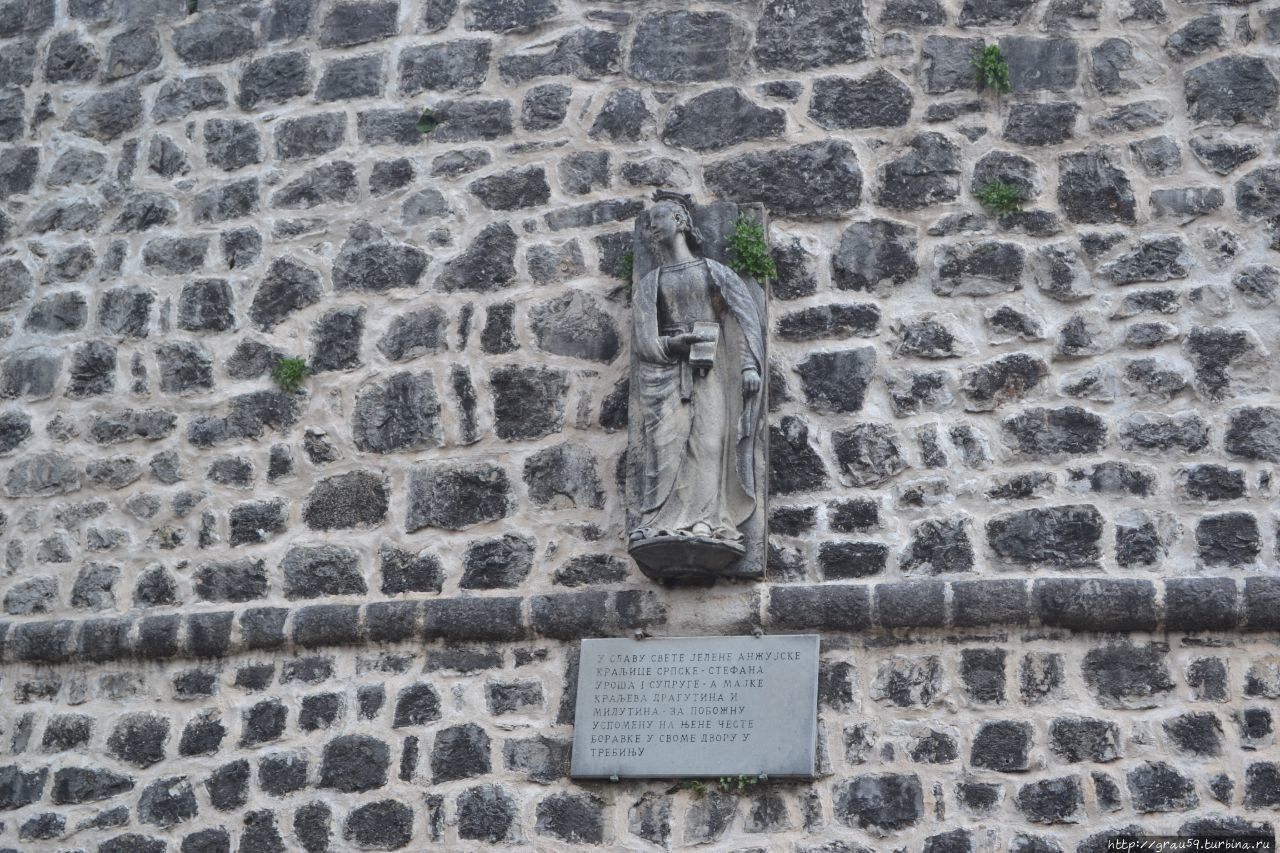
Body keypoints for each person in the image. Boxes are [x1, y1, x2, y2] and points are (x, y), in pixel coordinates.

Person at [627, 192, 766, 568]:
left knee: (707, 443)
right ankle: (659, 523)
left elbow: (744, 319)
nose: (652, 226)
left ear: (681, 220)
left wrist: (749, 367)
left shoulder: (713, 272)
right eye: (650, 221)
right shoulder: (650, 284)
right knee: (663, 446)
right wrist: (675, 343)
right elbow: (643, 340)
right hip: (666, 374)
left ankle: (706, 521)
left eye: (659, 218)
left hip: (710, 373)